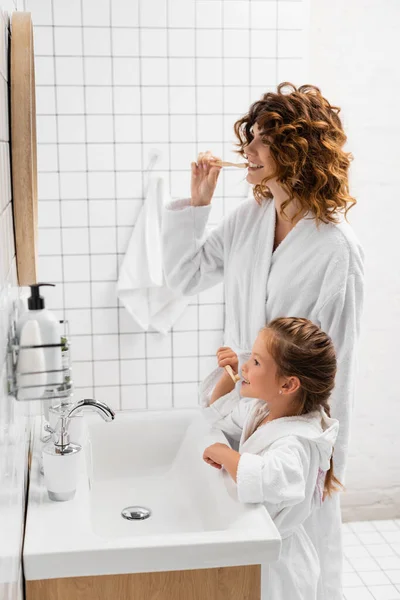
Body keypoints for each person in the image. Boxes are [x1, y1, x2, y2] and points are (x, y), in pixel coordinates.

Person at [161, 82, 365, 599]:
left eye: (261, 141)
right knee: (246, 556)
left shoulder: (335, 248)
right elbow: (184, 279)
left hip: (295, 434)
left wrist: (329, 457)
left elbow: (336, 362)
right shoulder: (249, 220)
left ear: (297, 149)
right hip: (242, 407)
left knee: (302, 561)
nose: (246, 151)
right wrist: (197, 206)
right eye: (247, 139)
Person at [201, 317, 340, 600]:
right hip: (261, 553)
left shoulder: (297, 442)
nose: (245, 367)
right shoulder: (264, 411)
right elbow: (220, 414)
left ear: (288, 385)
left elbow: (268, 477)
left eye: (256, 362)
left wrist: (227, 455)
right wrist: (229, 378)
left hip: (280, 569)